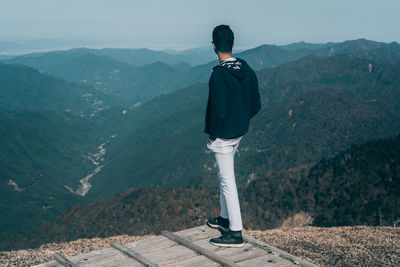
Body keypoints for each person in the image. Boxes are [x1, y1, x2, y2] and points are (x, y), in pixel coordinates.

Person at [204, 24, 261, 247]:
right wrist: (242, 120)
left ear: (214, 46)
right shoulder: (246, 69)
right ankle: (224, 218)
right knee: (224, 176)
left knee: (228, 181)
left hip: (223, 137)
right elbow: (256, 102)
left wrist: (214, 135)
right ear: (233, 44)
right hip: (239, 132)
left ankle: (235, 233)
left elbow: (217, 110)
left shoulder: (218, 74)